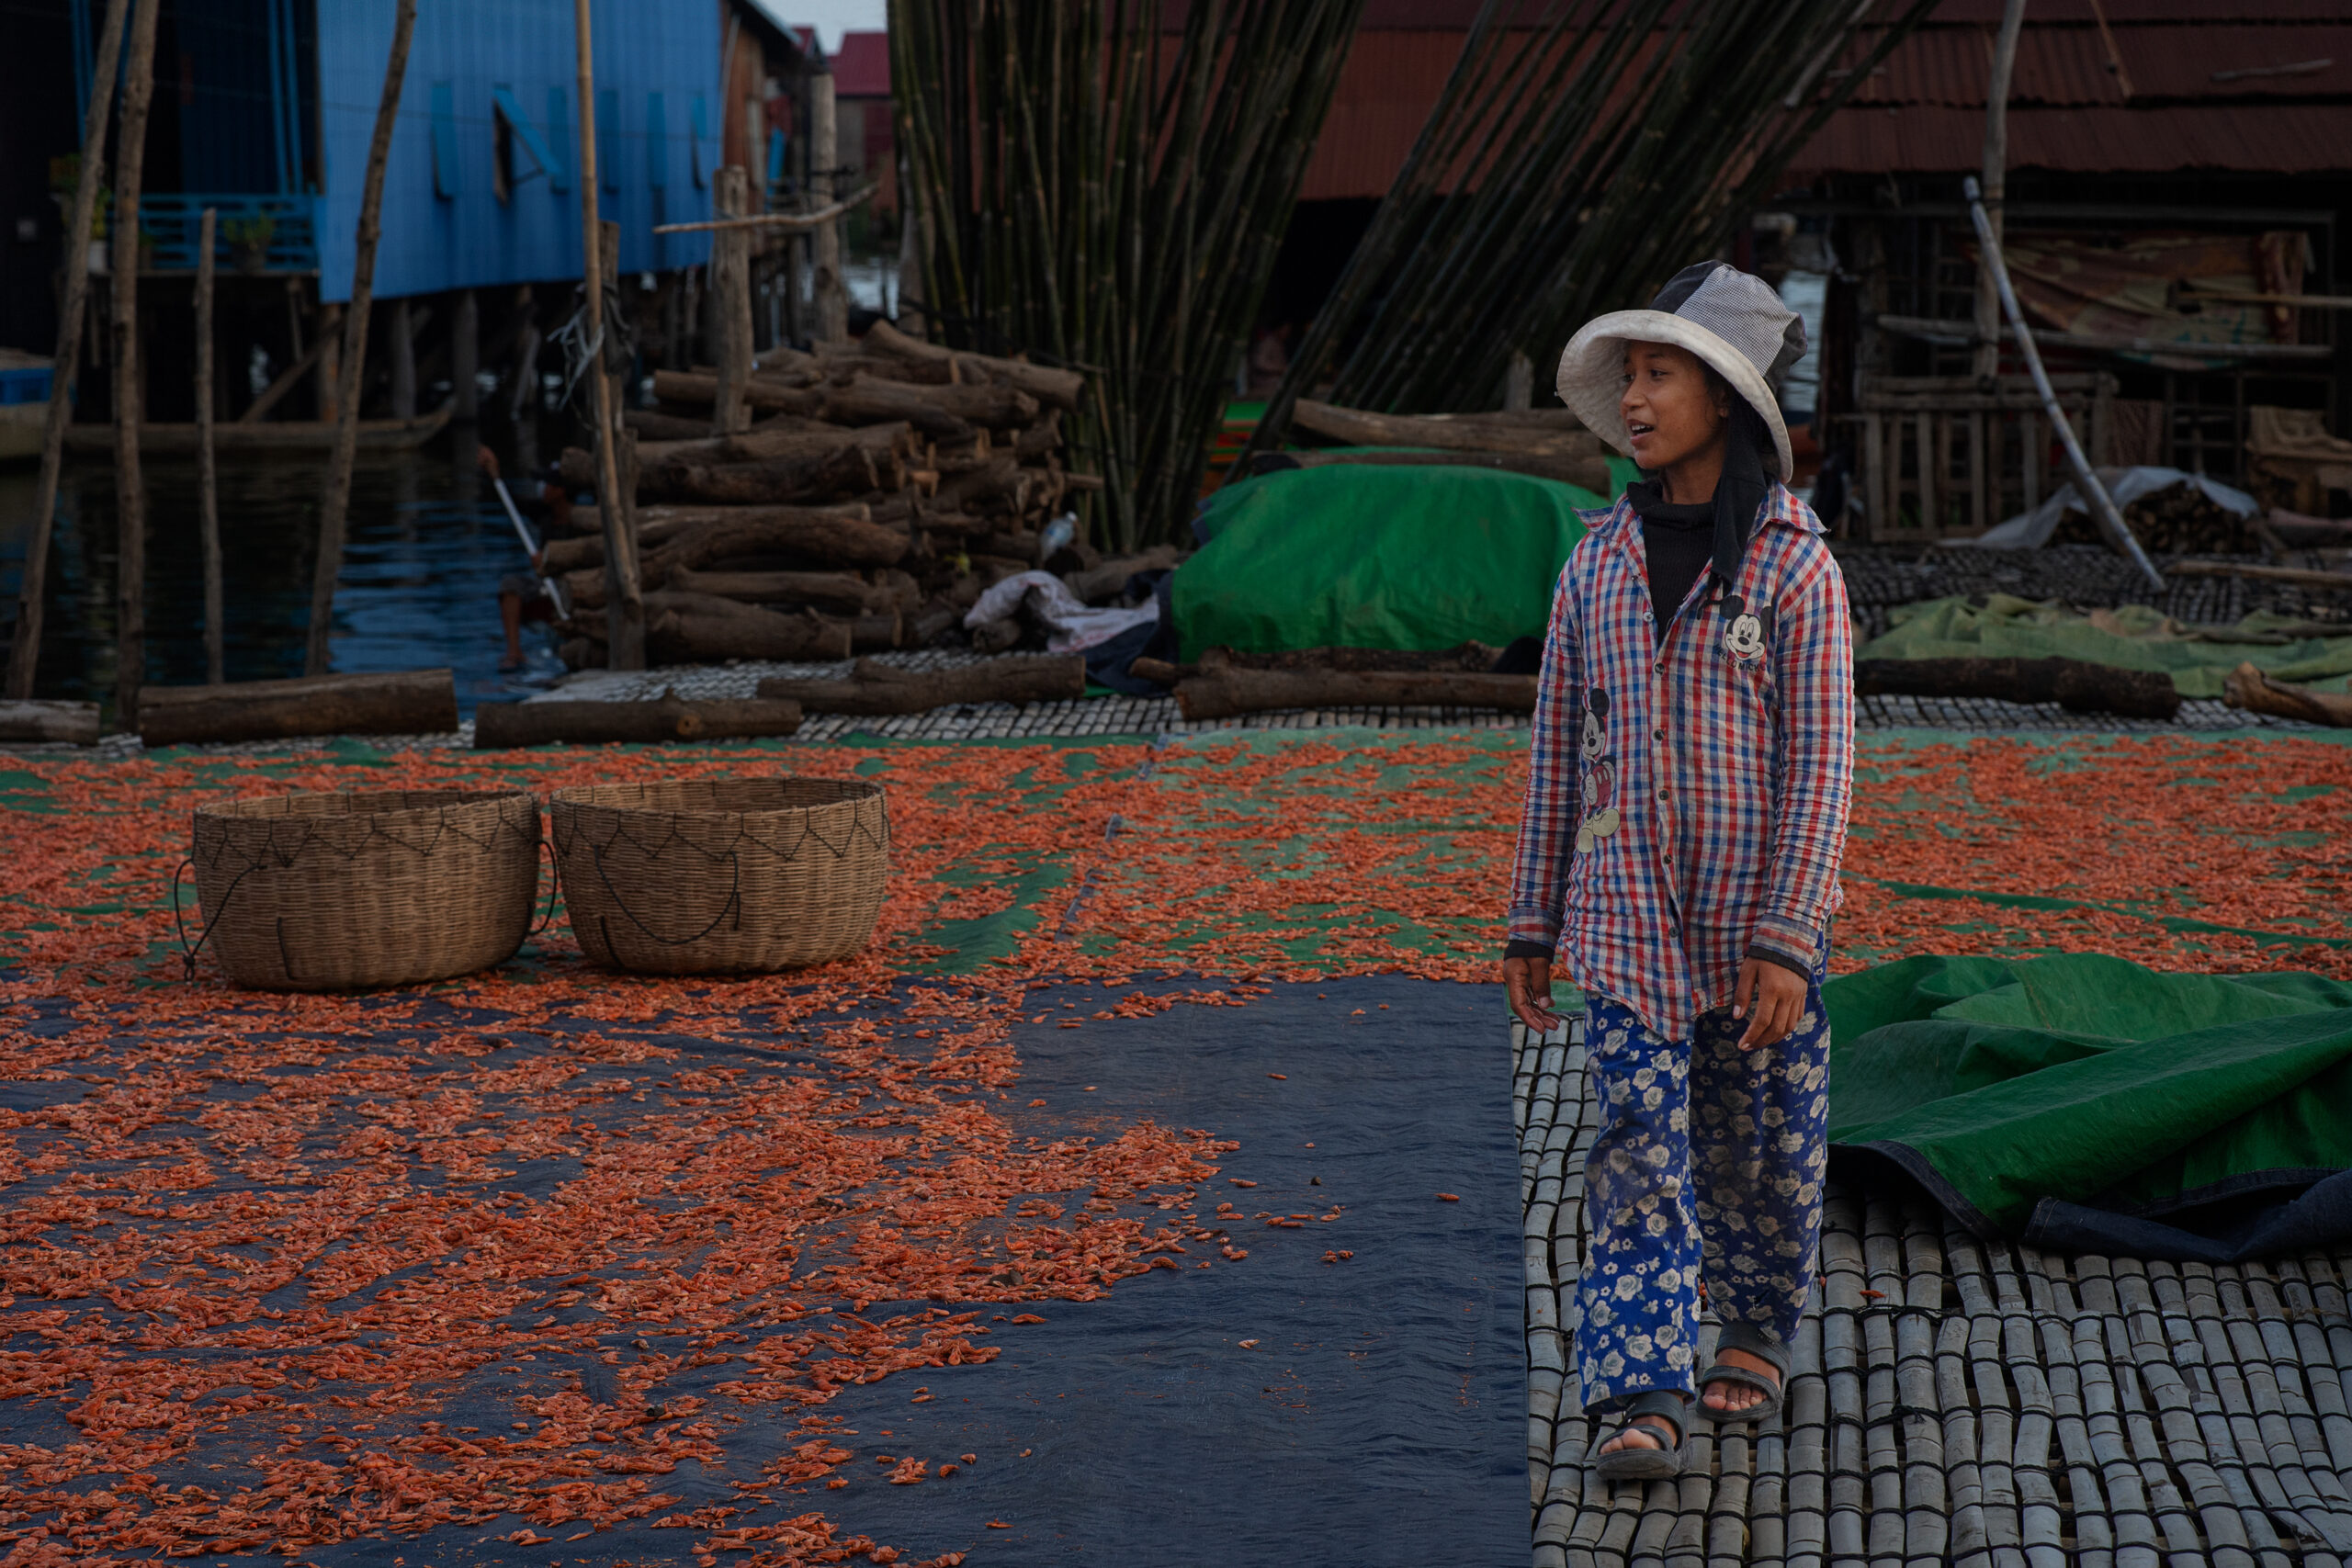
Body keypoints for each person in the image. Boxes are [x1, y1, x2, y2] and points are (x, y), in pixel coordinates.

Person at [1502, 263, 1854, 1482]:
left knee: (1760, 1148)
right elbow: (1559, 747)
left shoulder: (1796, 569)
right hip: (1624, 922)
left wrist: (1788, 937)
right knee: (1638, 1147)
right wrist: (1532, 916)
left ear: (1728, 400)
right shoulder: (1595, 565)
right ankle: (1640, 1385)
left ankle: (1754, 1323)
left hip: (1754, 929)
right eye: (1631, 377)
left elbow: (1822, 770)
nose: (1637, 399)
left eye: (1661, 374)